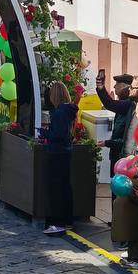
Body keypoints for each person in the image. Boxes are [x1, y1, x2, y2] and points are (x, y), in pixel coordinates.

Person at [43, 82, 79, 235]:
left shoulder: (60, 113)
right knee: (65, 187)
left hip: (57, 152)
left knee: (56, 188)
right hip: (65, 151)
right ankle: (67, 220)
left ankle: (57, 222)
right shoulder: (68, 110)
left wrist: (45, 133)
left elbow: (57, 135)